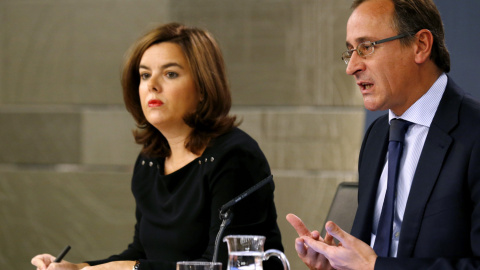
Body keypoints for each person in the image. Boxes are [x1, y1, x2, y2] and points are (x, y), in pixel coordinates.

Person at [31, 22, 283, 270]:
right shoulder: (150, 160)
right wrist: (79, 268)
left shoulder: (235, 156)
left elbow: (219, 265)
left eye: (170, 74)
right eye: (144, 75)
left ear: (203, 88)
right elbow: (142, 252)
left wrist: (134, 268)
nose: (152, 85)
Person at [287, 0, 480, 269]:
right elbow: (368, 254)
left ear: (420, 45)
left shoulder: (474, 133)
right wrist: (338, 263)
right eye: (350, 51)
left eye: (366, 48)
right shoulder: (377, 136)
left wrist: (376, 267)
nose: (351, 67)